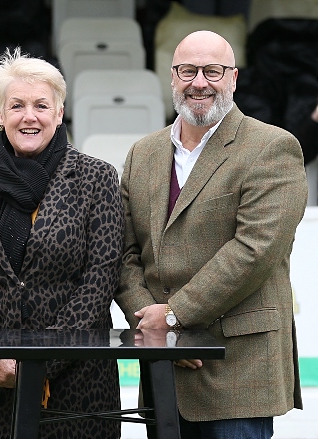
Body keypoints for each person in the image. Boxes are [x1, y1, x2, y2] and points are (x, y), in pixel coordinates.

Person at [115, 30, 306, 438]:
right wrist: (158, 332)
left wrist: (173, 318)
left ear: (233, 78)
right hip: (164, 373)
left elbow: (254, 251)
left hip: (236, 369)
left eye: (212, 71)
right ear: (172, 77)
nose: (198, 82)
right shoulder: (142, 154)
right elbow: (124, 253)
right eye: (188, 70)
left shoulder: (273, 147)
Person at [0, 47, 124, 439]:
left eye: (42, 105)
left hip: (77, 385)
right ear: (1, 115)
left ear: (59, 114)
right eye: (17, 105)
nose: (29, 116)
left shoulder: (97, 179)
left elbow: (100, 281)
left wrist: (41, 361)